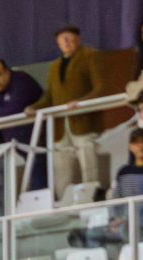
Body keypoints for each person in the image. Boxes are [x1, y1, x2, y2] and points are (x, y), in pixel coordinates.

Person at [25, 25, 106, 194]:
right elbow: (49, 96)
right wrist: (34, 107)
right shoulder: (54, 67)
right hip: (60, 126)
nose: (67, 42)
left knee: (88, 165)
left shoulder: (90, 56)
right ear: (58, 44)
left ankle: (92, 198)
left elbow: (100, 87)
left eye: (70, 38)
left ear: (78, 39)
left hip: (83, 123)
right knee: (61, 169)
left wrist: (81, 102)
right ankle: (64, 204)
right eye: (63, 40)